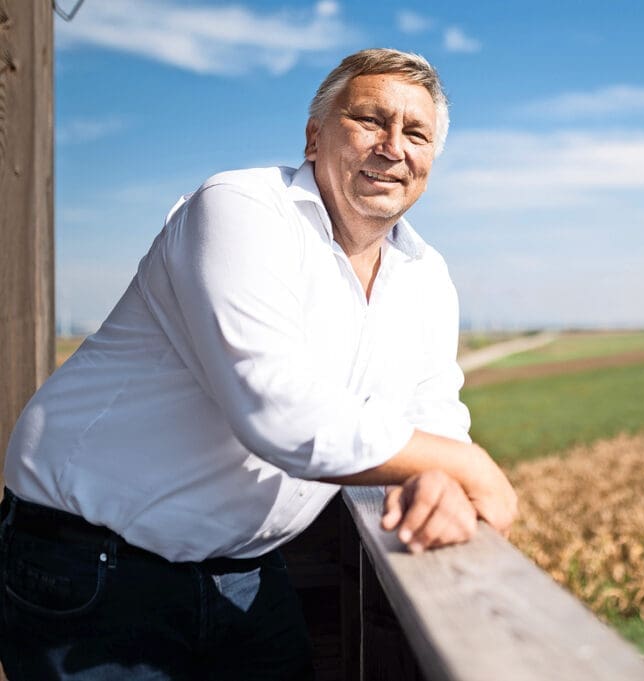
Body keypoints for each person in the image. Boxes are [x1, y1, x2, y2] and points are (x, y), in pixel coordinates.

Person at [0, 48, 516, 680]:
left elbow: (432, 417)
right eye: (370, 121)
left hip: (246, 573)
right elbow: (274, 406)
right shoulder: (241, 208)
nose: (392, 146)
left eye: (416, 133)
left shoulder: (426, 277)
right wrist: (465, 465)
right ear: (314, 136)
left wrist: (435, 478)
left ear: (431, 159)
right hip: (93, 567)